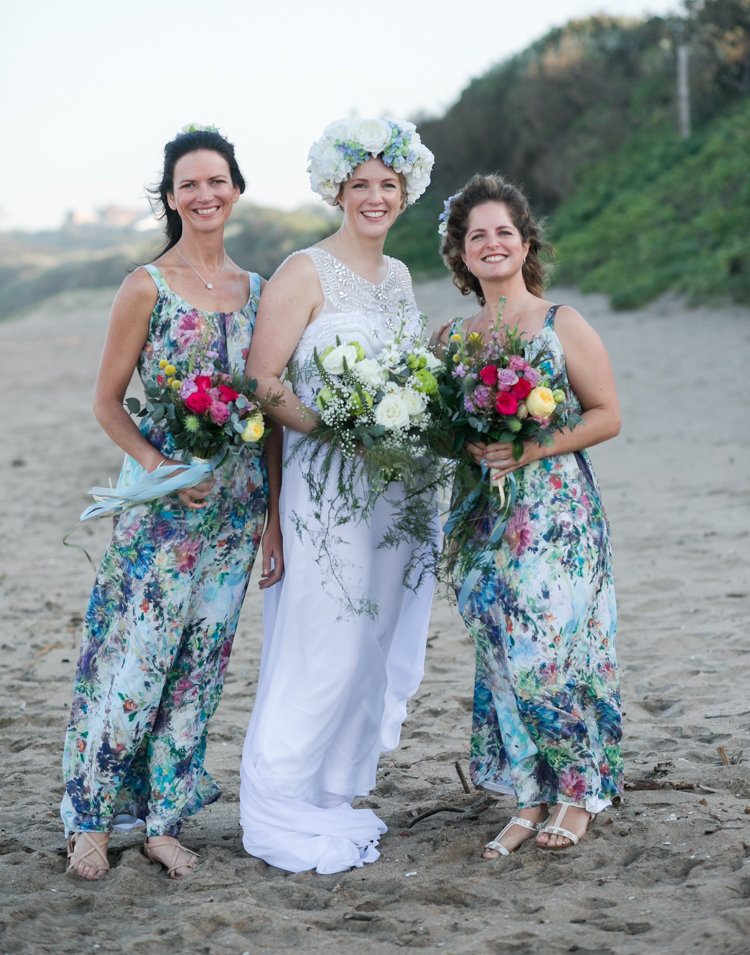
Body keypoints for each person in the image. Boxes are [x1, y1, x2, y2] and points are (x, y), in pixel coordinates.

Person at [62, 125, 283, 880]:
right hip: (163, 513)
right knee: (136, 659)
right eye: (188, 183)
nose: (204, 193)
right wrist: (159, 466)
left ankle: (162, 819)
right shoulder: (144, 286)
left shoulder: (260, 292)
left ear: (237, 189)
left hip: (237, 510)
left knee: (200, 667)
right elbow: (107, 401)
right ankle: (91, 818)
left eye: (216, 180)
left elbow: (270, 413)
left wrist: (276, 518)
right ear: (169, 197)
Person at [238, 117, 437, 874]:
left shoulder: (402, 278)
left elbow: (410, 377)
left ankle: (328, 786)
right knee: (328, 639)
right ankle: (279, 791)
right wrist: (333, 427)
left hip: (395, 490)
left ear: (405, 191)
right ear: (338, 191)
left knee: (370, 641)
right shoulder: (304, 270)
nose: (376, 197)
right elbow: (261, 382)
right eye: (361, 185)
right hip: (327, 488)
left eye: (389, 185)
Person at [435, 173, 622, 856]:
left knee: (546, 659)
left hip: (558, 516)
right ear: (460, 251)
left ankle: (577, 791)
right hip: (485, 517)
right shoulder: (452, 338)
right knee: (500, 659)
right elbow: (444, 431)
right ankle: (529, 794)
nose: (491, 243)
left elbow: (608, 415)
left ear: (524, 242)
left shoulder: (559, 322)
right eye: (476, 234)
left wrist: (532, 443)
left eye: (503, 232)